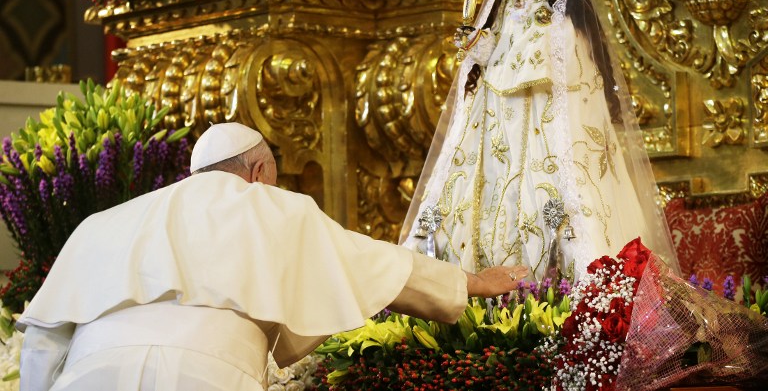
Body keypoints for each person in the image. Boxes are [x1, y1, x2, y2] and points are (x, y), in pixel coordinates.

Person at [17, 122, 528, 391]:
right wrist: (472, 283)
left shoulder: (106, 222)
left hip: (89, 379)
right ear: (261, 171)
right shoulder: (270, 205)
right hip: (209, 380)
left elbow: (43, 338)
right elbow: (379, 264)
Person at [400, 0, 679, 282]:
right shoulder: (507, 9)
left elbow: (567, 62)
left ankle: (555, 281)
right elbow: (491, 50)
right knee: (490, 192)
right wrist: (473, 44)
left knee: (546, 192)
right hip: (498, 115)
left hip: (542, 115)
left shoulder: (559, 16)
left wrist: (535, 63)